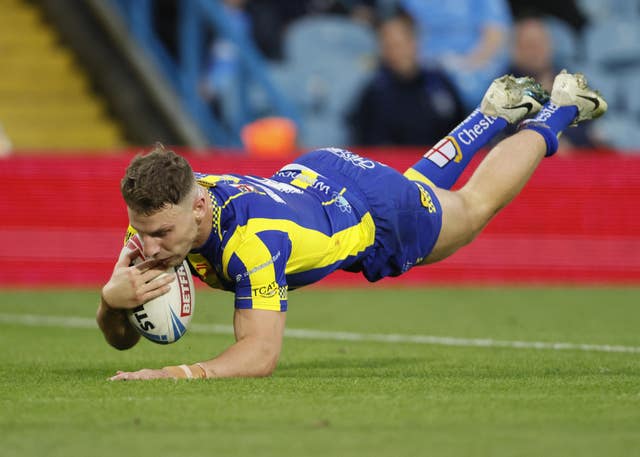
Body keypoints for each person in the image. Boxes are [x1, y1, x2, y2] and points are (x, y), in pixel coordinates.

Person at [99, 70, 607, 380]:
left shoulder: (252, 246)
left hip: (371, 214)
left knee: (471, 209)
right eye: (141, 231)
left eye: (161, 235)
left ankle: (559, 110)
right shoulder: (167, 205)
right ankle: (491, 115)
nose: (148, 245)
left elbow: (259, 354)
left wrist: (179, 373)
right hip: (315, 171)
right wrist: (109, 304)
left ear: (199, 211)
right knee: (419, 192)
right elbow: (122, 338)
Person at [348, 12, 465, 146]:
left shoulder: (439, 83)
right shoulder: (374, 93)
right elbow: (366, 145)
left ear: (414, 42)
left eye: (399, 44)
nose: (395, 52)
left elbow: (460, 129)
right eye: (388, 46)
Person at [507, 15, 607, 150]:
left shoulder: (570, 83)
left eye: (541, 44)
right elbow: (501, 134)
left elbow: (590, 128)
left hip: (568, 161)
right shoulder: (504, 89)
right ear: (516, 51)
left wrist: (566, 140)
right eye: (529, 46)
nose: (536, 51)